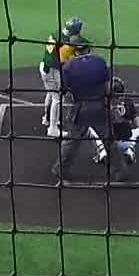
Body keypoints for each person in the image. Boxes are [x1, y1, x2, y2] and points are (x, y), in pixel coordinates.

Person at [51, 40, 125, 182]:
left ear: (75, 51)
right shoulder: (100, 62)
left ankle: (59, 169)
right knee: (108, 140)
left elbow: (63, 89)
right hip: (99, 108)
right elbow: (109, 84)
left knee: (71, 141)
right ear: (89, 49)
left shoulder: (69, 66)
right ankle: (120, 171)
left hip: (80, 109)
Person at [39, 17, 83, 138]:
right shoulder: (65, 44)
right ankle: (52, 129)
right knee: (58, 98)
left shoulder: (56, 33)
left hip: (44, 66)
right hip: (52, 70)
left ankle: (47, 118)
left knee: (51, 94)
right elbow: (64, 61)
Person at [93, 77, 139, 171]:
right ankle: (129, 149)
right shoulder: (128, 101)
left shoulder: (101, 103)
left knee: (91, 125)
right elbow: (136, 122)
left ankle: (102, 151)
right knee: (136, 127)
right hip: (126, 141)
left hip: (109, 143)